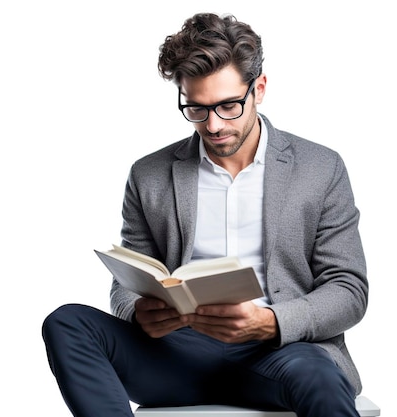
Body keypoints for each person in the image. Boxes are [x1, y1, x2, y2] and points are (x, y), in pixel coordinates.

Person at [42, 12, 368, 417]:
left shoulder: (320, 168)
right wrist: (138, 312)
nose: (212, 125)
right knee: (67, 323)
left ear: (259, 89)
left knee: (319, 376)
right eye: (196, 108)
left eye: (228, 105)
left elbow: (348, 289)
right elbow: (125, 283)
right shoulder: (149, 175)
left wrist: (270, 322)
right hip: (177, 353)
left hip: (280, 353)